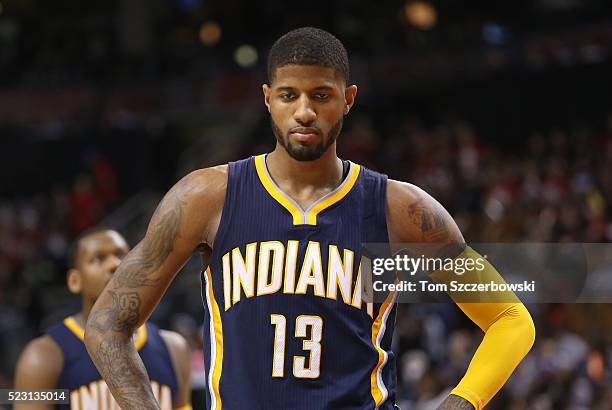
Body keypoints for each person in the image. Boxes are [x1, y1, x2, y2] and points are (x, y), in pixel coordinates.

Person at [84, 27, 535, 410]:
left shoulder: (403, 210)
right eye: (288, 95)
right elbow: (107, 323)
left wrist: (460, 403)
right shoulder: (205, 197)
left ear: (348, 99)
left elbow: (511, 319)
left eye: (321, 95)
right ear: (266, 99)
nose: (304, 111)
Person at [14, 228, 193, 410]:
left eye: (122, 255)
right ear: (75, 281)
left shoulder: (174, 348)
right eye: (98, 259)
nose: (115, 264)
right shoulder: (41, 356)